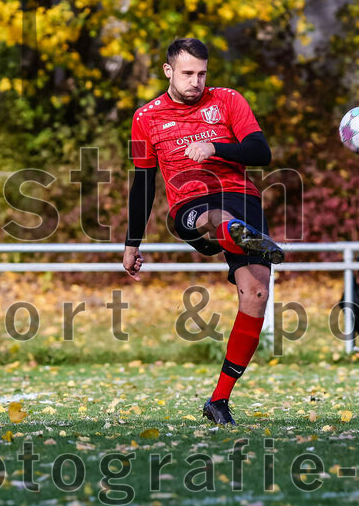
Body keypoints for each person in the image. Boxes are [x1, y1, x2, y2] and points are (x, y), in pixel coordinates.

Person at [122, 38, 284, 426]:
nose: (196, 81)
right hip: (190, 202)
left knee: (257, 294)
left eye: (202, 73)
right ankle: (231, 230)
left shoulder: (228, 100)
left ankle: (219, 400)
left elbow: (261, 152)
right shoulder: (146, 118)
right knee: (214, 216)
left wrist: (216, 147)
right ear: (168, 71)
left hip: (241, 196)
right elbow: (143, 184)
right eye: (187, 73)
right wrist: (132, 243)